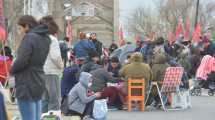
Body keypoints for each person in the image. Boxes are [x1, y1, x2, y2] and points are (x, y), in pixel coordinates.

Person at [10, 15, 51, 120]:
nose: (20, 31)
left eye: (20, 28)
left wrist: (12, 70)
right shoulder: (45, 38)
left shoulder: (30, 37)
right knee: (36, 117)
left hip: (26, 82)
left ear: (27, 26)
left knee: (28, 117)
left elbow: (22, 60)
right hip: (38, 79)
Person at [39, 16, 64, 113]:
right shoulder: (52, 39)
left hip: (40, 72)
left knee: (44, 99)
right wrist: (61, 66)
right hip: (51, 72)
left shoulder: (38, 39)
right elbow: (55, 57)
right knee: (54, 99)